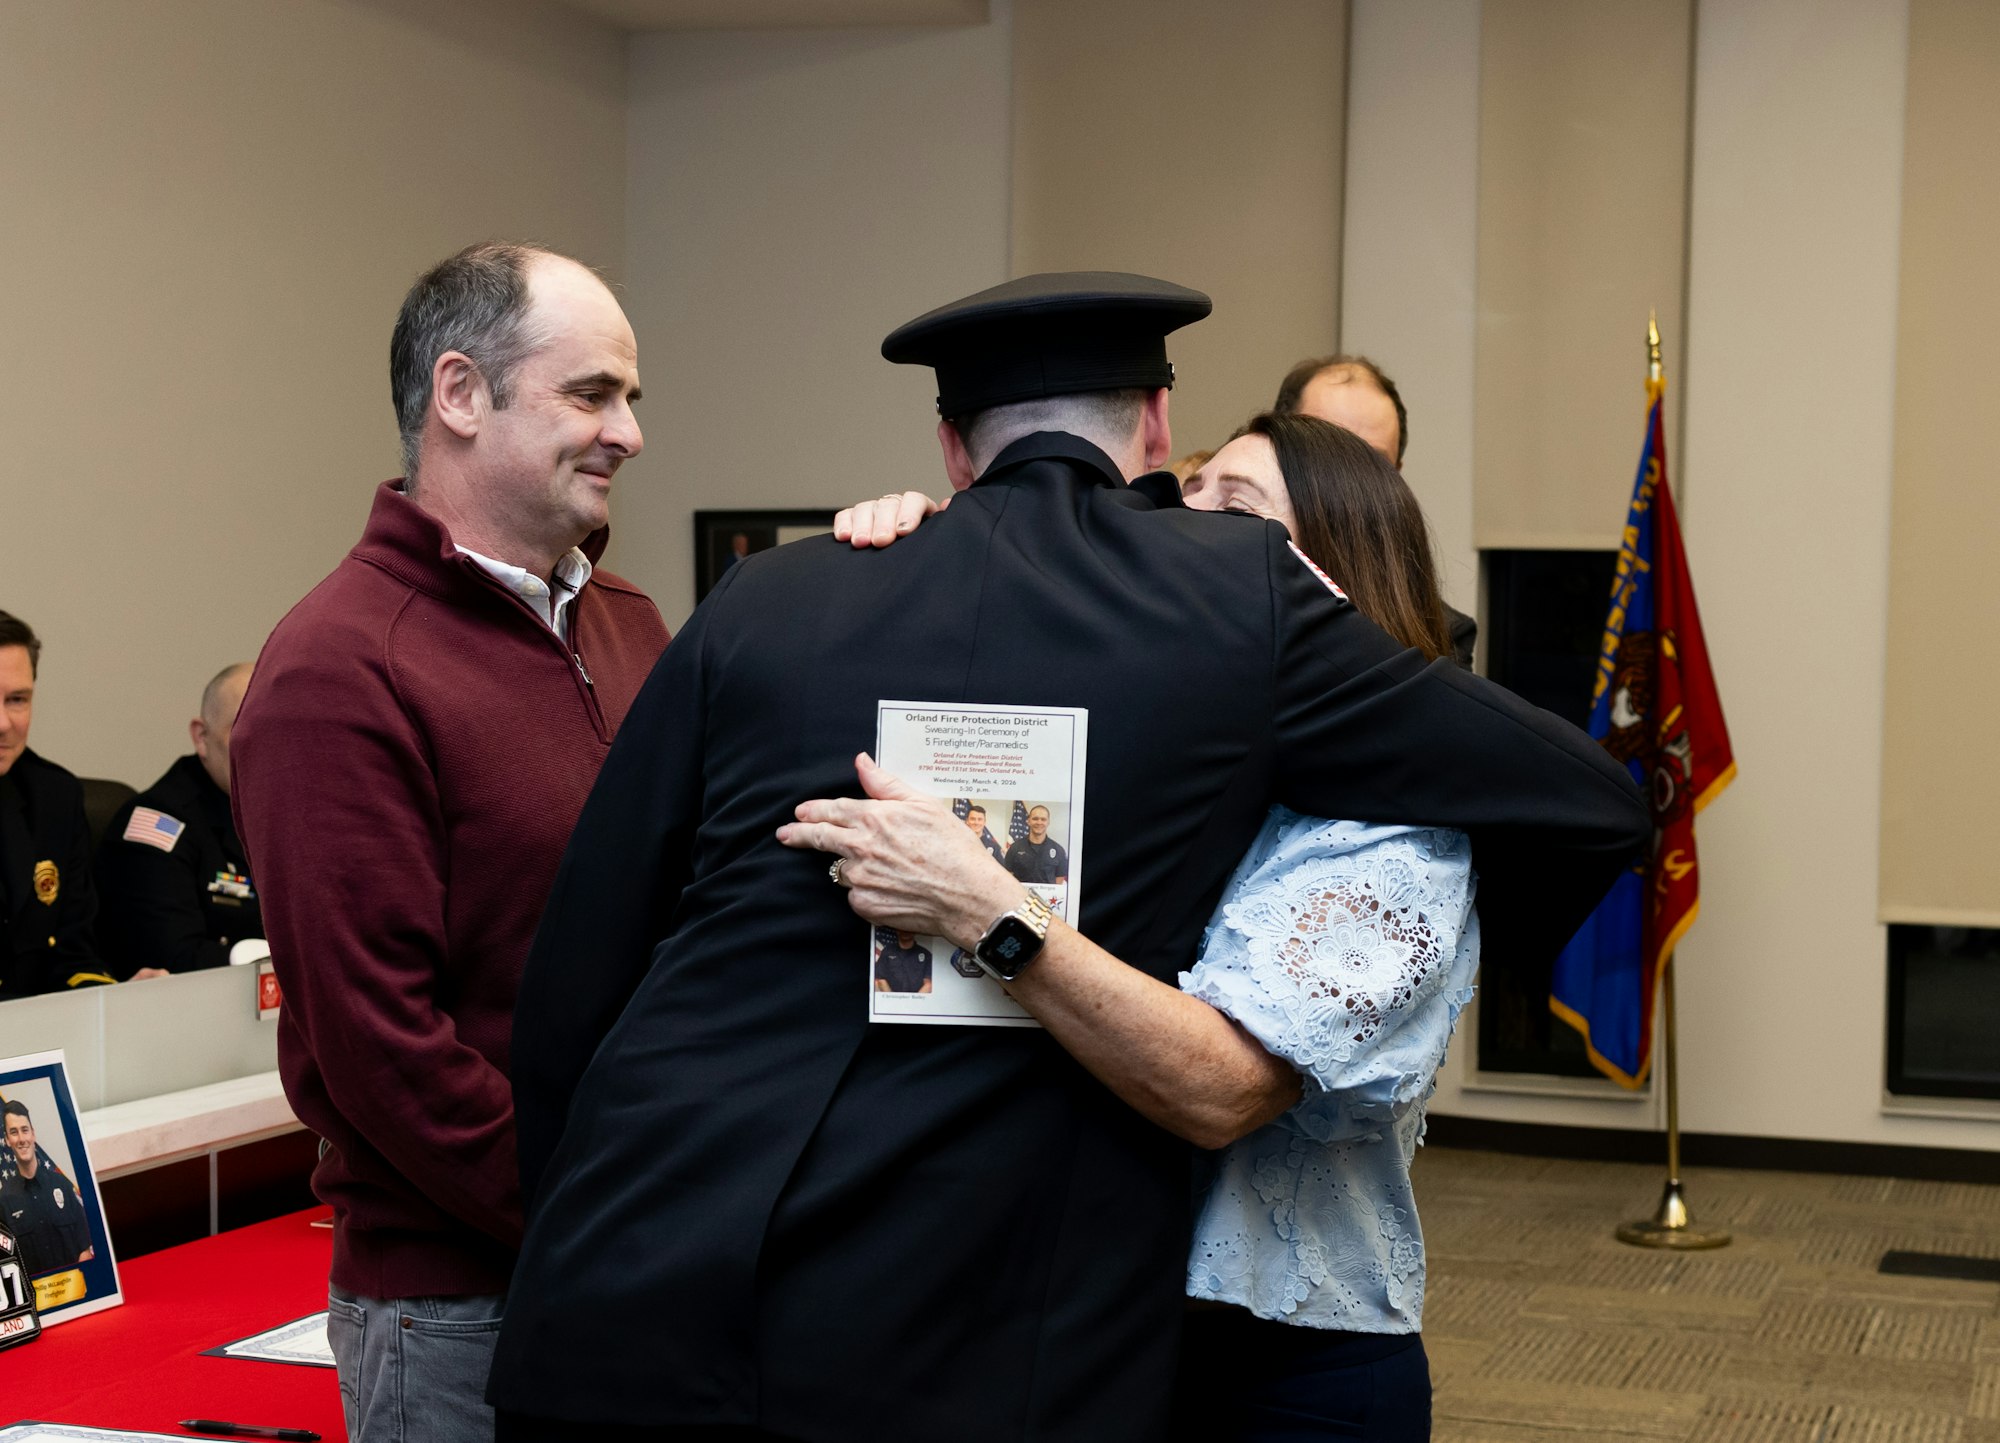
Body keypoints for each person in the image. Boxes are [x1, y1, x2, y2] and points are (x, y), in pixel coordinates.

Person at [489, 271, 1646, 1442]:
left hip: (625, 1284)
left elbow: (580, 969)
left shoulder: (769, 590)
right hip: (947, 1334)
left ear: (950, 450)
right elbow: (1589, 799)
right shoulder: (1235, 598)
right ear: (1153, 428)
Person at [802, 411, 1480, 1439]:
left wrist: (985, 906)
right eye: (1186, 492)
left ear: (1333, 582)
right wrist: (933, 547)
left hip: (1272, 1371)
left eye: (1233, 508)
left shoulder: (1392, 831)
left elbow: (1220, 1090)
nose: (1180, 523)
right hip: (1053, 1320)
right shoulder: (1156, 752)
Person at [229, 242, 670, 1443]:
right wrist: (610, 1213)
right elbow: (382, 1050)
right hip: (459, 1309)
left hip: (640, 1264)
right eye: (591, 394)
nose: (627, 432)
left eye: (630, 398)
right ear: (460, 395)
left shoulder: (629, 623)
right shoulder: (340, 667)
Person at [1273, 353, 1477, 668]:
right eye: (1327, 449)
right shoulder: (1224, 577)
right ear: (1272, 448)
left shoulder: (1440, 633)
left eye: (1373, 461)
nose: (1352, 479)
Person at [96, 662, 263, 979]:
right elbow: (171, 960)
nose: (265, 747)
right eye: (244, 729)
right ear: (202, 737)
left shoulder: (300, 818)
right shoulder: (158, 824)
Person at [0, 612, 115, 998]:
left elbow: (72, 954)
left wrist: (111, 1005)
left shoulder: (54, 798)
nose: (2, 723)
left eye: (16, 700)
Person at [0, 1101, 94, 1276]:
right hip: (38, 1300)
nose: (21, 1139)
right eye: (14, 1132)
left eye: (25, 1130)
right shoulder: (3, 1202)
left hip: (77, 1290)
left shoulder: (63, 1186)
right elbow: (7, 1266)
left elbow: (85, 1250)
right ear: (7, 1139)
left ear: (33, 1134)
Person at [1002, 804, 1068, 884]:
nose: (1039, 822)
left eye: (1043, 819)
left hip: (1046, 896)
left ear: (1048, 822)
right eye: (1035, 819)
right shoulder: (1015, 848)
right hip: (1021, 895)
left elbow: (1059, 879)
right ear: (1028, 821)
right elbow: (1008, 875)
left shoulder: (1059, 850)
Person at [871, 928, 932, 993]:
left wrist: (915, 1001)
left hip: (918, 999)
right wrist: (893, 999)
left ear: (915, 931)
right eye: (902, 928)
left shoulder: (926, 955)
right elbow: (881, 979)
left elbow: (928, 984)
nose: (905, 931)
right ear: (897, 930)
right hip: (891, 998)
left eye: (908, 928)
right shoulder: (887, 952)